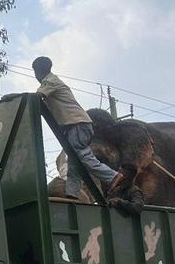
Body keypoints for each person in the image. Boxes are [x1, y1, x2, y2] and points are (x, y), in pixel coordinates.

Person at [32, 56, 124, 199]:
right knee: (74, 164)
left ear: (38, 71)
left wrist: (16, 97)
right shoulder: (51, 84)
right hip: (76, 125)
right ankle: (73, 195)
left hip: (77, 124)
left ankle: (112, 176)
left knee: (82, 155)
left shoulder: (50, 81)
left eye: (35, 72)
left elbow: (35, 98)